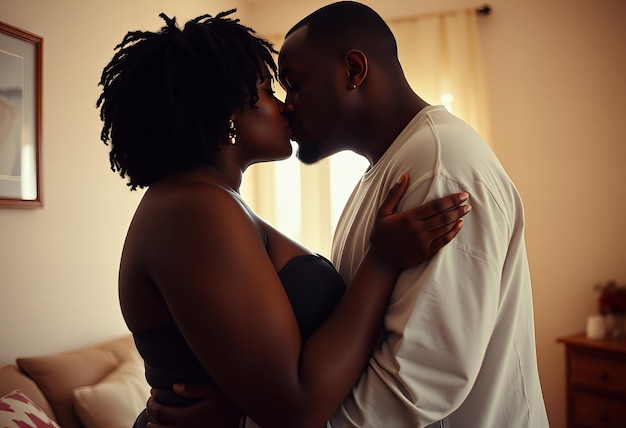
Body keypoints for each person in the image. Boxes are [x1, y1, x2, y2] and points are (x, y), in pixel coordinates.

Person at [145, 1, 550, 427]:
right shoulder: (386, 173)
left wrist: (246, 423)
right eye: (273, 90)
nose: (287, 106)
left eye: (294, 84)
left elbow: (415, 384)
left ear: (354, 71)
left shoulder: (439, 167)